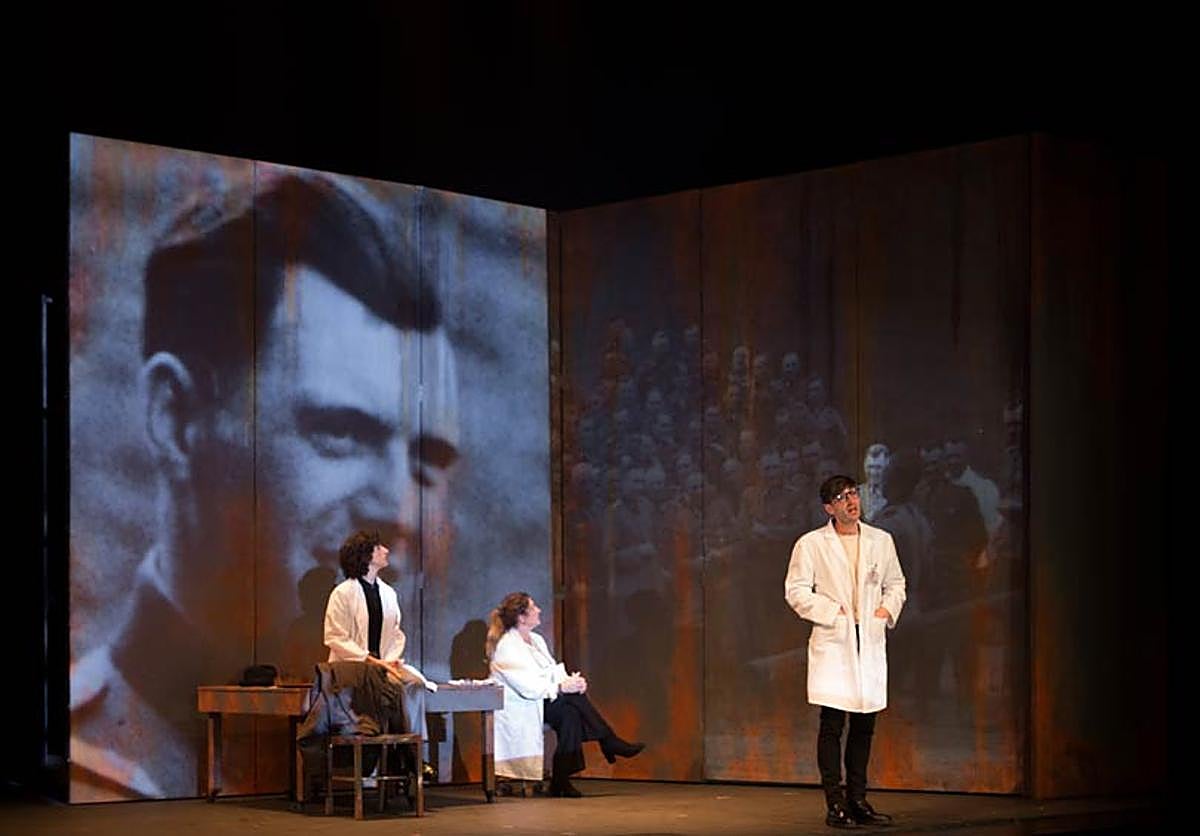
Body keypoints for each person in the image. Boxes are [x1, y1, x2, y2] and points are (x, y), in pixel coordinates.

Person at [69, 166, 459, 800]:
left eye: (428, 460)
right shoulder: (89, 768)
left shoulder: (424, 708)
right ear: (178, 420)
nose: (400, 507)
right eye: (340, 432)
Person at [784, 475, 906, 828]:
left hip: (868, 638)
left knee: (864, 724)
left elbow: (896, 583)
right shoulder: (811, 544)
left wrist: (884, 611)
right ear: (829, 508)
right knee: (833, 724)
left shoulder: (881, 540)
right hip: (835, 641)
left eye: (853, 494)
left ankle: (858, 799)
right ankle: (835, 804)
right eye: (841, 498)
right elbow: (796, 590)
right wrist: (832, 613)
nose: (851, 501)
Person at [486, 592, 644, 797]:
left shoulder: (536, 640)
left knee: (571, 714)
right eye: (533, 608)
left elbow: (551, 671)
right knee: (571, 701)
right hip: (522, 705)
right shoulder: (507, 646)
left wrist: (572, 682)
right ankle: (608, 740)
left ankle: (561, 779)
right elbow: (527, 686)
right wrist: (562, 688)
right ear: (521, 617)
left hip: (542, 700)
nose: (539, 610)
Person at [324, 529, 430, 742]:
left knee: (416, 686)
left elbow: (396, 634)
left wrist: (389, 660)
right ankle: (397, 748)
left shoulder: (388, 593)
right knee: (391, 691)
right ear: (366, 555)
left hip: (381, 667)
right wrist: (370, 660)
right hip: (353, 669)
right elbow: (335, 636)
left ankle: (412, 746)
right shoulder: (343, 593)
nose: (386, 551)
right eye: (379, 547)